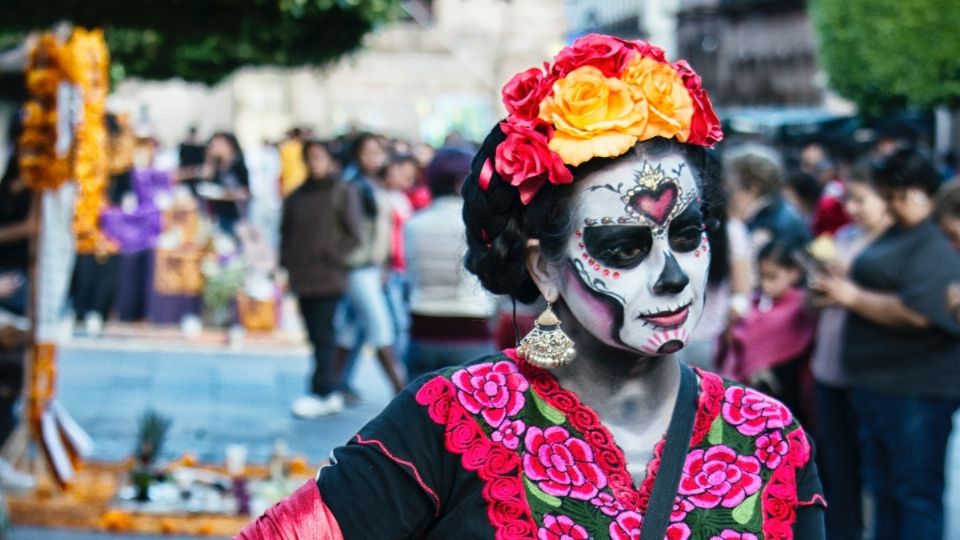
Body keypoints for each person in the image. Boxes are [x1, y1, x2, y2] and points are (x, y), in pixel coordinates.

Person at [240, 34, 824, 539]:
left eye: (688, 233)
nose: (672, 274)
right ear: (545, 267)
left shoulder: (767, 436)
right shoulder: (457, 417)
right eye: (623, 246)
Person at [813, 148, 960, 540]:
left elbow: (920, 311)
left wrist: (853, 297)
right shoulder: (901, 233)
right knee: (885, 492)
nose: (891, 206)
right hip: (877, 388)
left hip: (914, 392)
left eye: (896, 197)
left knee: (914, 495)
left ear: (918, 193)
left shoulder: (932, 240)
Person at [808, 161, 891, 540]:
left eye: (861, 199)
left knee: (876, 472)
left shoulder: (896, 245)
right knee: (836, 469)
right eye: (850, 199)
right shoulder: (842, 237)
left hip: (871, 375)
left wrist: (850, 293)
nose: (852, 208)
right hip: (827, 367)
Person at [281, 141, 363, 418]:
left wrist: (332, 254)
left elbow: (355, 234)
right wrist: (286, 264)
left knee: (324, 333)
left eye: (319, 158)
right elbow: (286, 234)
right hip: (302, 275)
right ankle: (324, 387)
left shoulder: (342, 191)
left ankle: (324, 388)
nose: (315, 163)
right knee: (315, 335)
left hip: (329, 276)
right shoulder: (296, 196)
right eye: (310, 158)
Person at [404, 147, 499, 379]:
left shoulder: (414, 224)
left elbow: (411, 275)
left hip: (422, 328)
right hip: (470, 330)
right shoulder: (478, 224)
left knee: (419, 412)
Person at [333, 133, 406, 397]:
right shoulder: (354, 186)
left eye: (378, 152)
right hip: (358, 267)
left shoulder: (372, 184)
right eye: (368, 152)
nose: (374, 158)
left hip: (371, 267)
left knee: (349, 330)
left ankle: (331, 385)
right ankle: (400, 389)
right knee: (381, 328)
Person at [720, 242, 817, 420]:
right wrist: (731, 324)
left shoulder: (800, 305)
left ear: (794, 273)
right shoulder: (754, 304)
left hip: (790, 385)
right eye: (762, 276)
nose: (765, 284)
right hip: (756, 391)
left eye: (772, 277)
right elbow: (735, 341)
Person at [724, 143, 811, 253]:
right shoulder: (775, 212)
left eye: (733, 185)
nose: (727, 190)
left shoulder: (771, 223)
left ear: (753, 186)